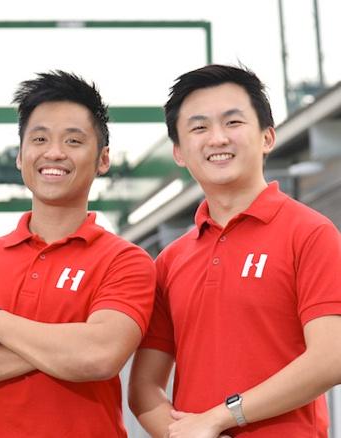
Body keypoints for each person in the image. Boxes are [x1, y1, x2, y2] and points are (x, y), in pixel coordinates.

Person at [0, 70, 155, 437]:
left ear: (103, 158)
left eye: (73, 140)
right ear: (20, 156)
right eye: (40, 139)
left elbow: (98, 357)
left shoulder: (125, 261)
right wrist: (65, 350)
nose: (54, 152)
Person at [128, 64, 341, 437]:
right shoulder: (170, 261)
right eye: (199, 128)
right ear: (179, 152)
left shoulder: (311, 234)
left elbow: (331, 357)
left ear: (267, 137)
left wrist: (221, 418)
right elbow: (144, 389)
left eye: (233, 122)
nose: (217, 139)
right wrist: (184, 433)